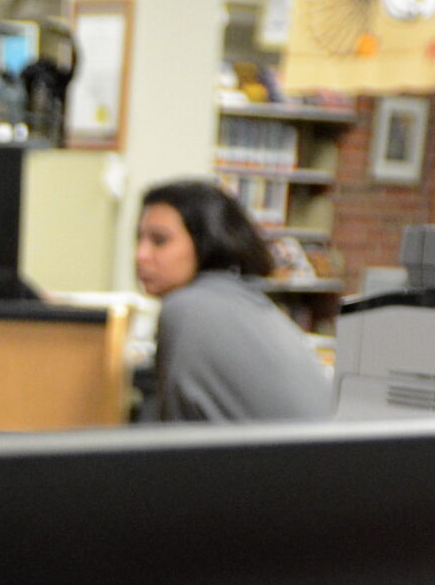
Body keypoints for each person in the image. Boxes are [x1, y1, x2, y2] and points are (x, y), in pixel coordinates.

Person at [132, 178, 334, 423]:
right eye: (139, 239)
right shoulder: (241, 301)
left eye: (159, 240)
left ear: (205, 241)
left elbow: (171, 438)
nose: (140, 255)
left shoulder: (189, 307)